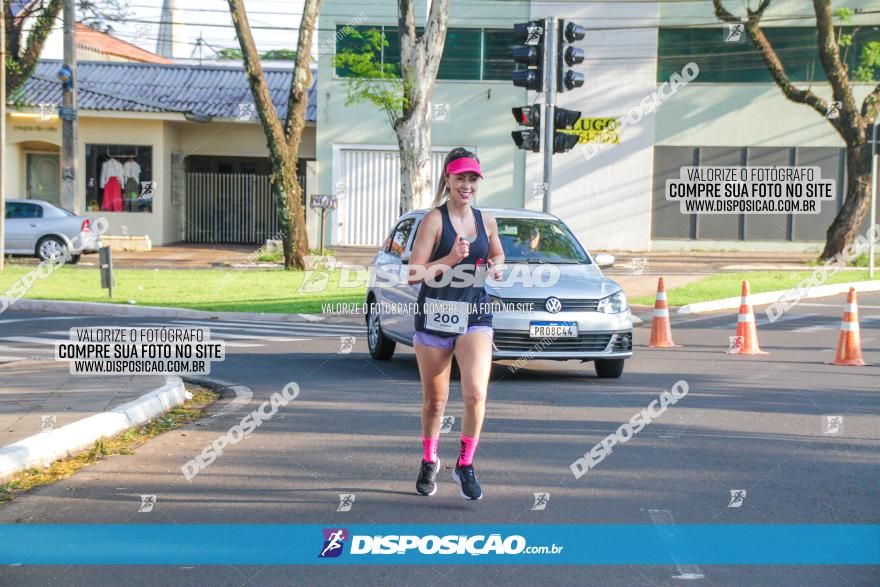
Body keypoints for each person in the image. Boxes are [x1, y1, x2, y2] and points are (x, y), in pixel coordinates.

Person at [407, 147, 504, 500]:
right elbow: (414, 275)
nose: (467, 185)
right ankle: (429, 459)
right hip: (435, 314)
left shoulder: (486, 220)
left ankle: (465, 463)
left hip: (475, 314)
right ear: (448, 180)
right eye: (460, 177)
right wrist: (450, 258)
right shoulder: (434, 220)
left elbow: (497, 251)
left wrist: (497, 264)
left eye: (473, 178)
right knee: (436, 402)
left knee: (476, 393)